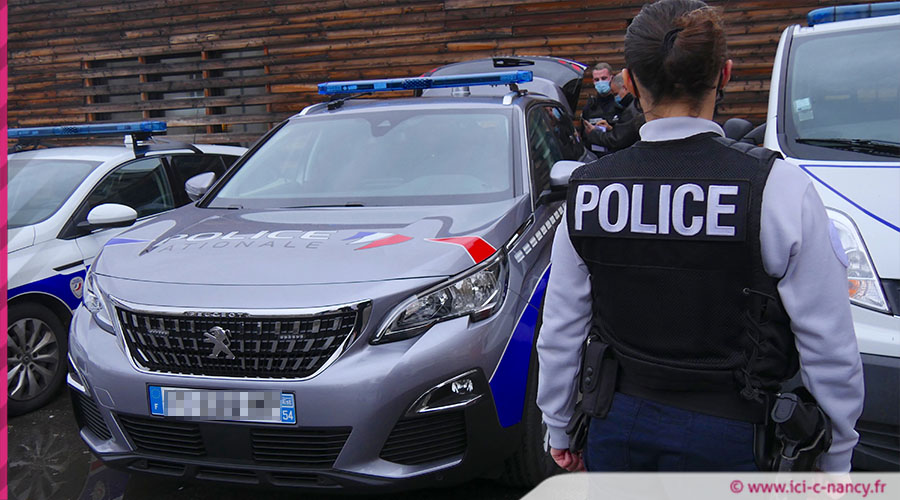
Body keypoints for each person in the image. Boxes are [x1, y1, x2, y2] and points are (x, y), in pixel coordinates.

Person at [536, 0, 864, 473]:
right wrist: (833, 456)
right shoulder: (777, 187)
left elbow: (562, 330)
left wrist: (560, 425)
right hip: (735, 435)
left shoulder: (588, 192)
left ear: (628, 83)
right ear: (725, 74)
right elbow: (829, 345)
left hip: (618, 426)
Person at [582, 72, 645, 155]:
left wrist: (593, 132)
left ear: (625, 88)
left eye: (616, 94)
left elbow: (617, 140)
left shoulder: (632, 110)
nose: (616, 98)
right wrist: (611, 129)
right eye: (596, 79)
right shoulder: (635, 105)